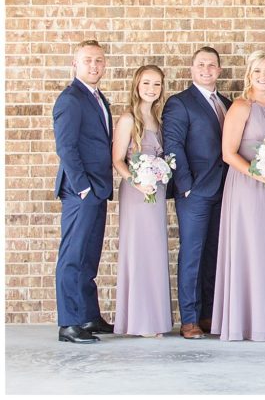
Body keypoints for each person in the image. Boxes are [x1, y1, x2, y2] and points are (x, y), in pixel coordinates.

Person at [210, 51, 265, 342]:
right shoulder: (241, 106)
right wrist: (257, 173)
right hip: (246, 186)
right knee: (250, 248)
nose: (263, 76)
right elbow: (228, 153)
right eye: (258, 70)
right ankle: (244, 322)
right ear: (249, 73)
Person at [162, 47, 232, 339]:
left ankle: (207, 314)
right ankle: (188, 318)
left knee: (214, 254)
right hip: (195, 192)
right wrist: (186, 185)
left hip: (225, 189)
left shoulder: (227, 103)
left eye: (212, 65)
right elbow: (173, 145)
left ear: (219, 70)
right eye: (201, 65)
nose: (207, 69)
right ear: (192, 69)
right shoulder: (180, 103)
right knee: (192, 253)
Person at [53, 40, 115, 343]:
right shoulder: (70, 98)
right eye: (88, 60)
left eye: (99, 61)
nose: (94, 66)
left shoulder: (98, 97)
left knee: (90, 256)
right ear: (75, 64)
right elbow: (66, 147)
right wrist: (83, 188)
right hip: (82, 191)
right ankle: (69, 323)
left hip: (98, 188)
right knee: (73, 256)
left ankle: (89, 316)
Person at [112, 65, 173, 337]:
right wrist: (137, 182)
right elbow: (117, 160)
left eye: (157, 84)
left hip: (156, 191)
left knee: (155, 251)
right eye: (147, 83)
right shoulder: (128, 119)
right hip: (137, 193)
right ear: (137, 85)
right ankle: (138, 321)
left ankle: (154, 320)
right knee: (139, 252)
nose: (152, 88)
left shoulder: (157, 120)